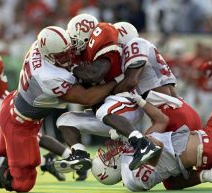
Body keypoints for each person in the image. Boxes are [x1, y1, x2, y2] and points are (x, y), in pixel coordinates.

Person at [0, 26, 118, 193]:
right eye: (61, 56)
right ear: (49, 55)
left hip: (14, 106)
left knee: (0, 147)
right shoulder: (48, 77)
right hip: (20, 122)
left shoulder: (41, 47)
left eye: (67, 51)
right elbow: (88, 98)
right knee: (22, 182)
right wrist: (116, 80)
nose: (68, 57)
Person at [55, 14, 161, 173]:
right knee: (65, 120)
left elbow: (96, 74)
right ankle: (79, 154)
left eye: (75, 40)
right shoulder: (81, 55)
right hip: (108, 111)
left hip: (126, 102)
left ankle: (144, 145)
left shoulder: (103, 35)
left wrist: (71, 69)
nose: (73, 45)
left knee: (105, 110)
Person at [91, 89, 212, 191]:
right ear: (111, 169)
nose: (109, 153)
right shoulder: (131, 179)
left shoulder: (133, 155)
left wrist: (139, 101)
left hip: (208, 142)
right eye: (107, 158)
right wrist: (131, 137)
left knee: (171, 184)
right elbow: (155, 147)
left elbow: (161, 120)